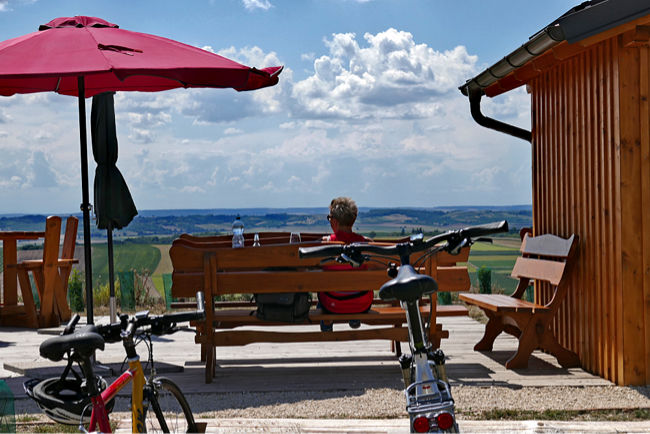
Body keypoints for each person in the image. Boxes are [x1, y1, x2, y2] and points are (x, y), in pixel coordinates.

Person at [319, 197, 373, 332]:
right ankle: (354, 316)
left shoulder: (325, 244)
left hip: (331, 303)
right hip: (362, 302)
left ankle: (327, 322)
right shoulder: (366, 243)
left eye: (330, 218)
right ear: (353, 220)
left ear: (334, 222)